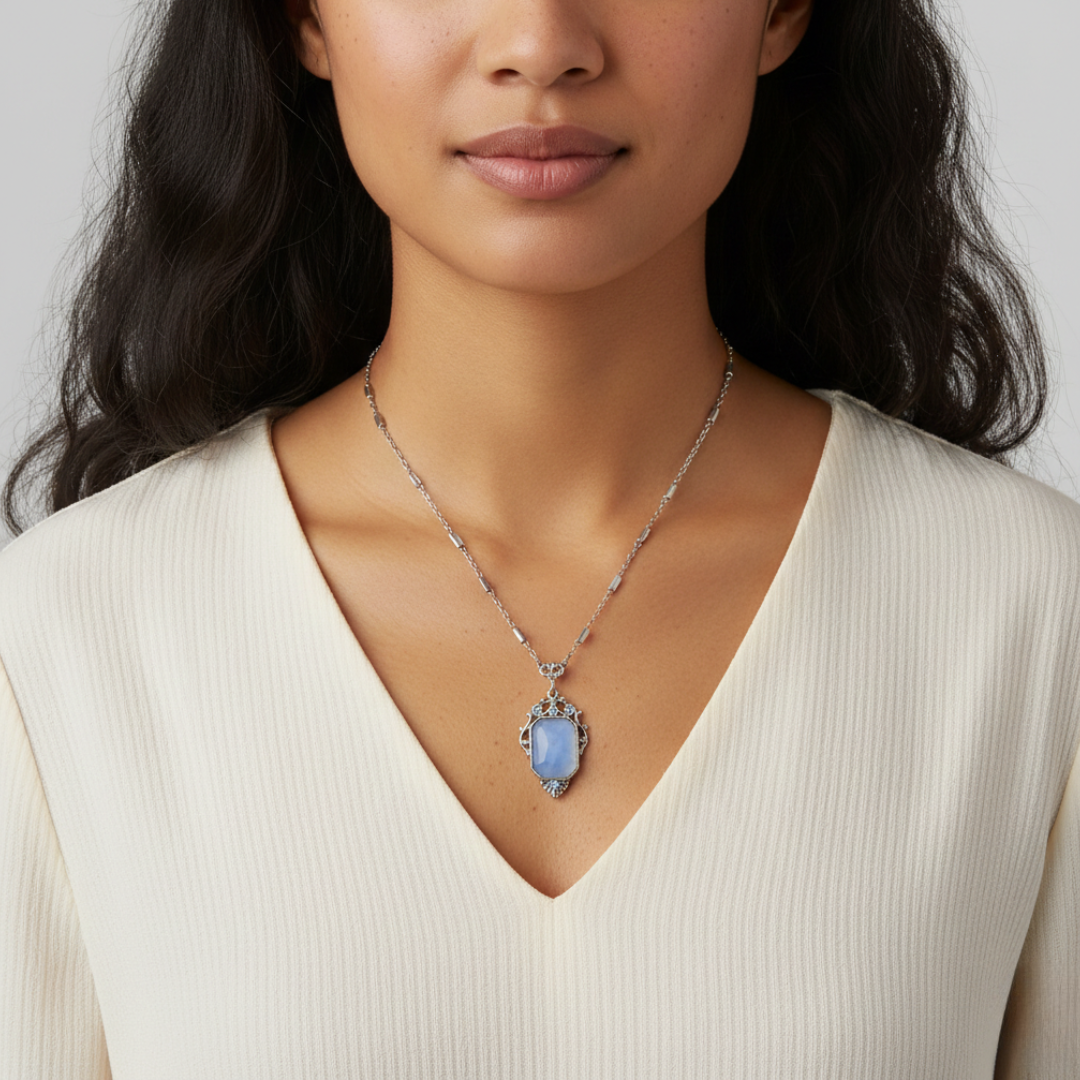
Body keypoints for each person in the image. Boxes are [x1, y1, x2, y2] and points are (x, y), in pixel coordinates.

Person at [1, 0, 1076, 1074]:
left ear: (785, 11)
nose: (540, 43)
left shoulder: (1031, 612)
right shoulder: (64, 640)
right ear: (302, 19)